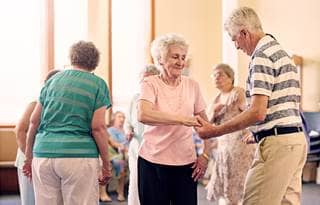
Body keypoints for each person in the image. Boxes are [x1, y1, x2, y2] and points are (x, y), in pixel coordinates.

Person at [195, 7, 307, 205]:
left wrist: (215, 131)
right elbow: (279, 108)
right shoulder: (281, 53)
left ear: (244, 33)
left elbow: (257, 112)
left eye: (234, 39)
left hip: (278, 145)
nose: (236, 46)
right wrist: (257, 132)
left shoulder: (262, 56)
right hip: (295, 140)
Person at [23, 41, 112, 205]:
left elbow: (34, 121)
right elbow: (98, 127)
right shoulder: (98, 84)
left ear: (72, 58)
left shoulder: (52, 81)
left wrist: (28, 158)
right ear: (94, 62)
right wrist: (106, 164)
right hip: (78, 156)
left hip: (43, 154)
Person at [137, 33, 211, 205]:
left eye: (183, 57)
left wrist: (206, 154)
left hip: (185, 164)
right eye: (175, 56)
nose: (180, 62)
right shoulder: (149, 84)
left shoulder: (192, 85)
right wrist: (182, 119)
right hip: (152, 162)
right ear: (160, 59)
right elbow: (144, 114)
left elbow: (205, 125)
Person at [205, 64, 256, 205]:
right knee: (225, 181)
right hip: (223, 147)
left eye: (220, 74)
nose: (217, 78)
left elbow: (250, 113)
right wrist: (214, 112)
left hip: (240, 145)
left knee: (239, 182)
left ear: (230, 77)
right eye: (214, 75)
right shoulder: (215, 99)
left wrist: (253, 132)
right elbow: (208, 124)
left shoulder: (237, 92)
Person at [14, 69, 60, 205]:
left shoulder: (57, 105)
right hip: (28, 159)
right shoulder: (35, 103)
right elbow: (20, 130)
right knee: (30, 200)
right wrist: (30, 158)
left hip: (44, 161)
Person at [126, 64, 160, 205]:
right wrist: (128, 130)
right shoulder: (135, 98)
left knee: (154, 189)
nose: (143, 84)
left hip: (157, 151)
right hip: (136, 149)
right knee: (135, 185)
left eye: (147, 80)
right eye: (142, 80)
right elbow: (128, 121)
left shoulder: (160, 97)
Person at [100, 111, 128, 202]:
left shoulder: (125, 132)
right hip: (113, 154)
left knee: (124, 161)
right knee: (121, 162)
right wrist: (122, 147)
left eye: (123, 117)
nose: (122, 119)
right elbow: (113, 143)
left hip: (124, 153)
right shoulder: (110, 130)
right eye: (119, 117)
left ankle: (120, 191)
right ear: (114, 119)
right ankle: (119, 192)